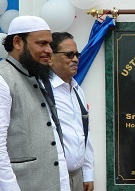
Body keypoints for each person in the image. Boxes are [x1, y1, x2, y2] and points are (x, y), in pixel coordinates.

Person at [0, 16, 70, 191]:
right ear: (18, 42)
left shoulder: (36, 76)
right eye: (42, 44)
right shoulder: (3, 80)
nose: (49, 50)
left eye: (50, 44)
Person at [48, 32, 94, 191]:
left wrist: (88, 173)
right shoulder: (43, 90)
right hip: (54, 178)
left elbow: (85, 133)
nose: (75, 59)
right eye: (69, 55)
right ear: (51, 57)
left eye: (76, 55)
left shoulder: (77, 90)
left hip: (77, 176)